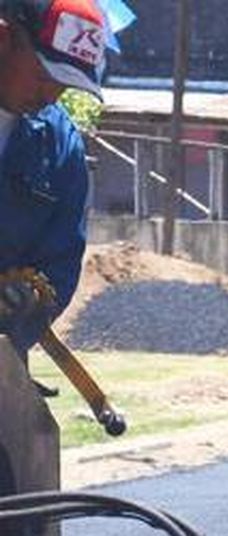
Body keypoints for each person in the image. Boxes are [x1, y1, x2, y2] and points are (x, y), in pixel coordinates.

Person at [0, 0, 110, 356]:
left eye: (66, 84)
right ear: (3, 39)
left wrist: (29, 304)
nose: (51, 94)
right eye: (46, 76)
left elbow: (60, 264)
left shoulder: (59, 146)